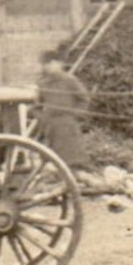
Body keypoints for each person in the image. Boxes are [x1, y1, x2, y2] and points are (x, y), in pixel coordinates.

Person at [35, 47, 92, 176]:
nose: (47, 67)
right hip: (51, 127)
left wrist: (74, 116)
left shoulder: (69, 80)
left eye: (50, 64)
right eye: (44, 64)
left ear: (58, 63)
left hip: (68, 125)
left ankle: (75, 182)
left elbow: (84, 99)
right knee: (52, 160)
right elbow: (36, 105)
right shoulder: (43, 83)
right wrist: (42, 118)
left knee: (72, 160)